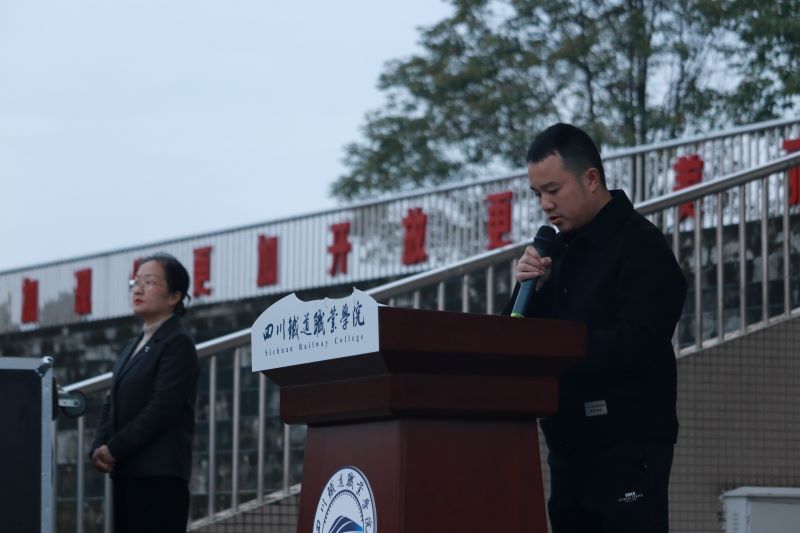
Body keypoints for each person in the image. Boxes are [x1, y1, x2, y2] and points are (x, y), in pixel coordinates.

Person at [504, 123, 686, 533]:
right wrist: (528, 288)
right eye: (537, 194)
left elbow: (639, 342)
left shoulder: (642, 245)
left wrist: (558, 352)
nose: (545, 205)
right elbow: (514, 338)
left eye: (553, 189)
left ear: (591, 179)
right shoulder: (555, 253)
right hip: (567, 448)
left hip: (626, 447)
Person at [90, 253, 199, 533]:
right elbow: (112, 400)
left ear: (175, 296)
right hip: (127, 471)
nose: (138, 289)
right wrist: (99, 445)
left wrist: (114, 448)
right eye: (135, 282)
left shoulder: (177, 343)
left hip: (158, 476)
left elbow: (162, 408)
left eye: (149, 282)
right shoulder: (132, 345)